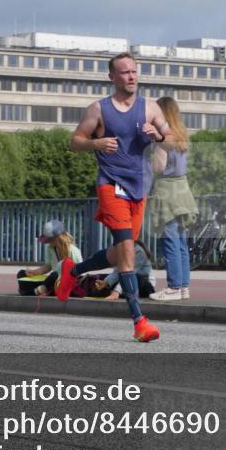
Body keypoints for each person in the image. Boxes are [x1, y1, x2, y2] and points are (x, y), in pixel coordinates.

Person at [57, 52, 172, 343]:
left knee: (123, 250)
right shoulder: (99, 109)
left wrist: (157, 137)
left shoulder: (151, 108)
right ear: (112, 77)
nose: (131, 76)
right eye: (124, 72)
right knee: (127, 249)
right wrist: (96, 142)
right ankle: (139, 321)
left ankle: (75, 270)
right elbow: (74, 142)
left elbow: (174, 139)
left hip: (138, 188)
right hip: (110, 186)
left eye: (134, 71)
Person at [149, 97, 199, 301]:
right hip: (183, 190)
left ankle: (173, 287)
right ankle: (183, 286)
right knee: (180, 242)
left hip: (167, 191)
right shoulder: (181, 135)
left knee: (169, 239)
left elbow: (159, 167)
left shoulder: (163, 137)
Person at [18, 220, 84, 296]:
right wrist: (34, 272)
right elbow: (48, 266)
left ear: (59, 238)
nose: (48, 242)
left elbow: (78, 272)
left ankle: (35, 291)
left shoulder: (73, 251)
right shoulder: (50, 248)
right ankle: (35, 289)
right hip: (52, 280)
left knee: (54, 275)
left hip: (66, 282)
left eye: (50, 240)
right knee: (22, 274)